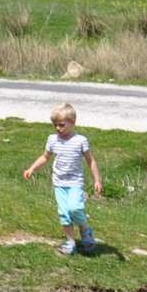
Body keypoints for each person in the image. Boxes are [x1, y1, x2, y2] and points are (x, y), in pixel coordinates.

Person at [21, 102, 102, 254]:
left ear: (73, 122)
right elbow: (45, 157)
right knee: (64, 213)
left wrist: (97, 180)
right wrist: (32, 168)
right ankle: (70, 242)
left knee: (75, 208)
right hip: (59, 182)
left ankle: (85, 229)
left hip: (75, 182)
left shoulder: (80, 141)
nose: (58, 128)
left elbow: (91, 160)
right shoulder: (53, 140)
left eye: (61, 125)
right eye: (55, 125)